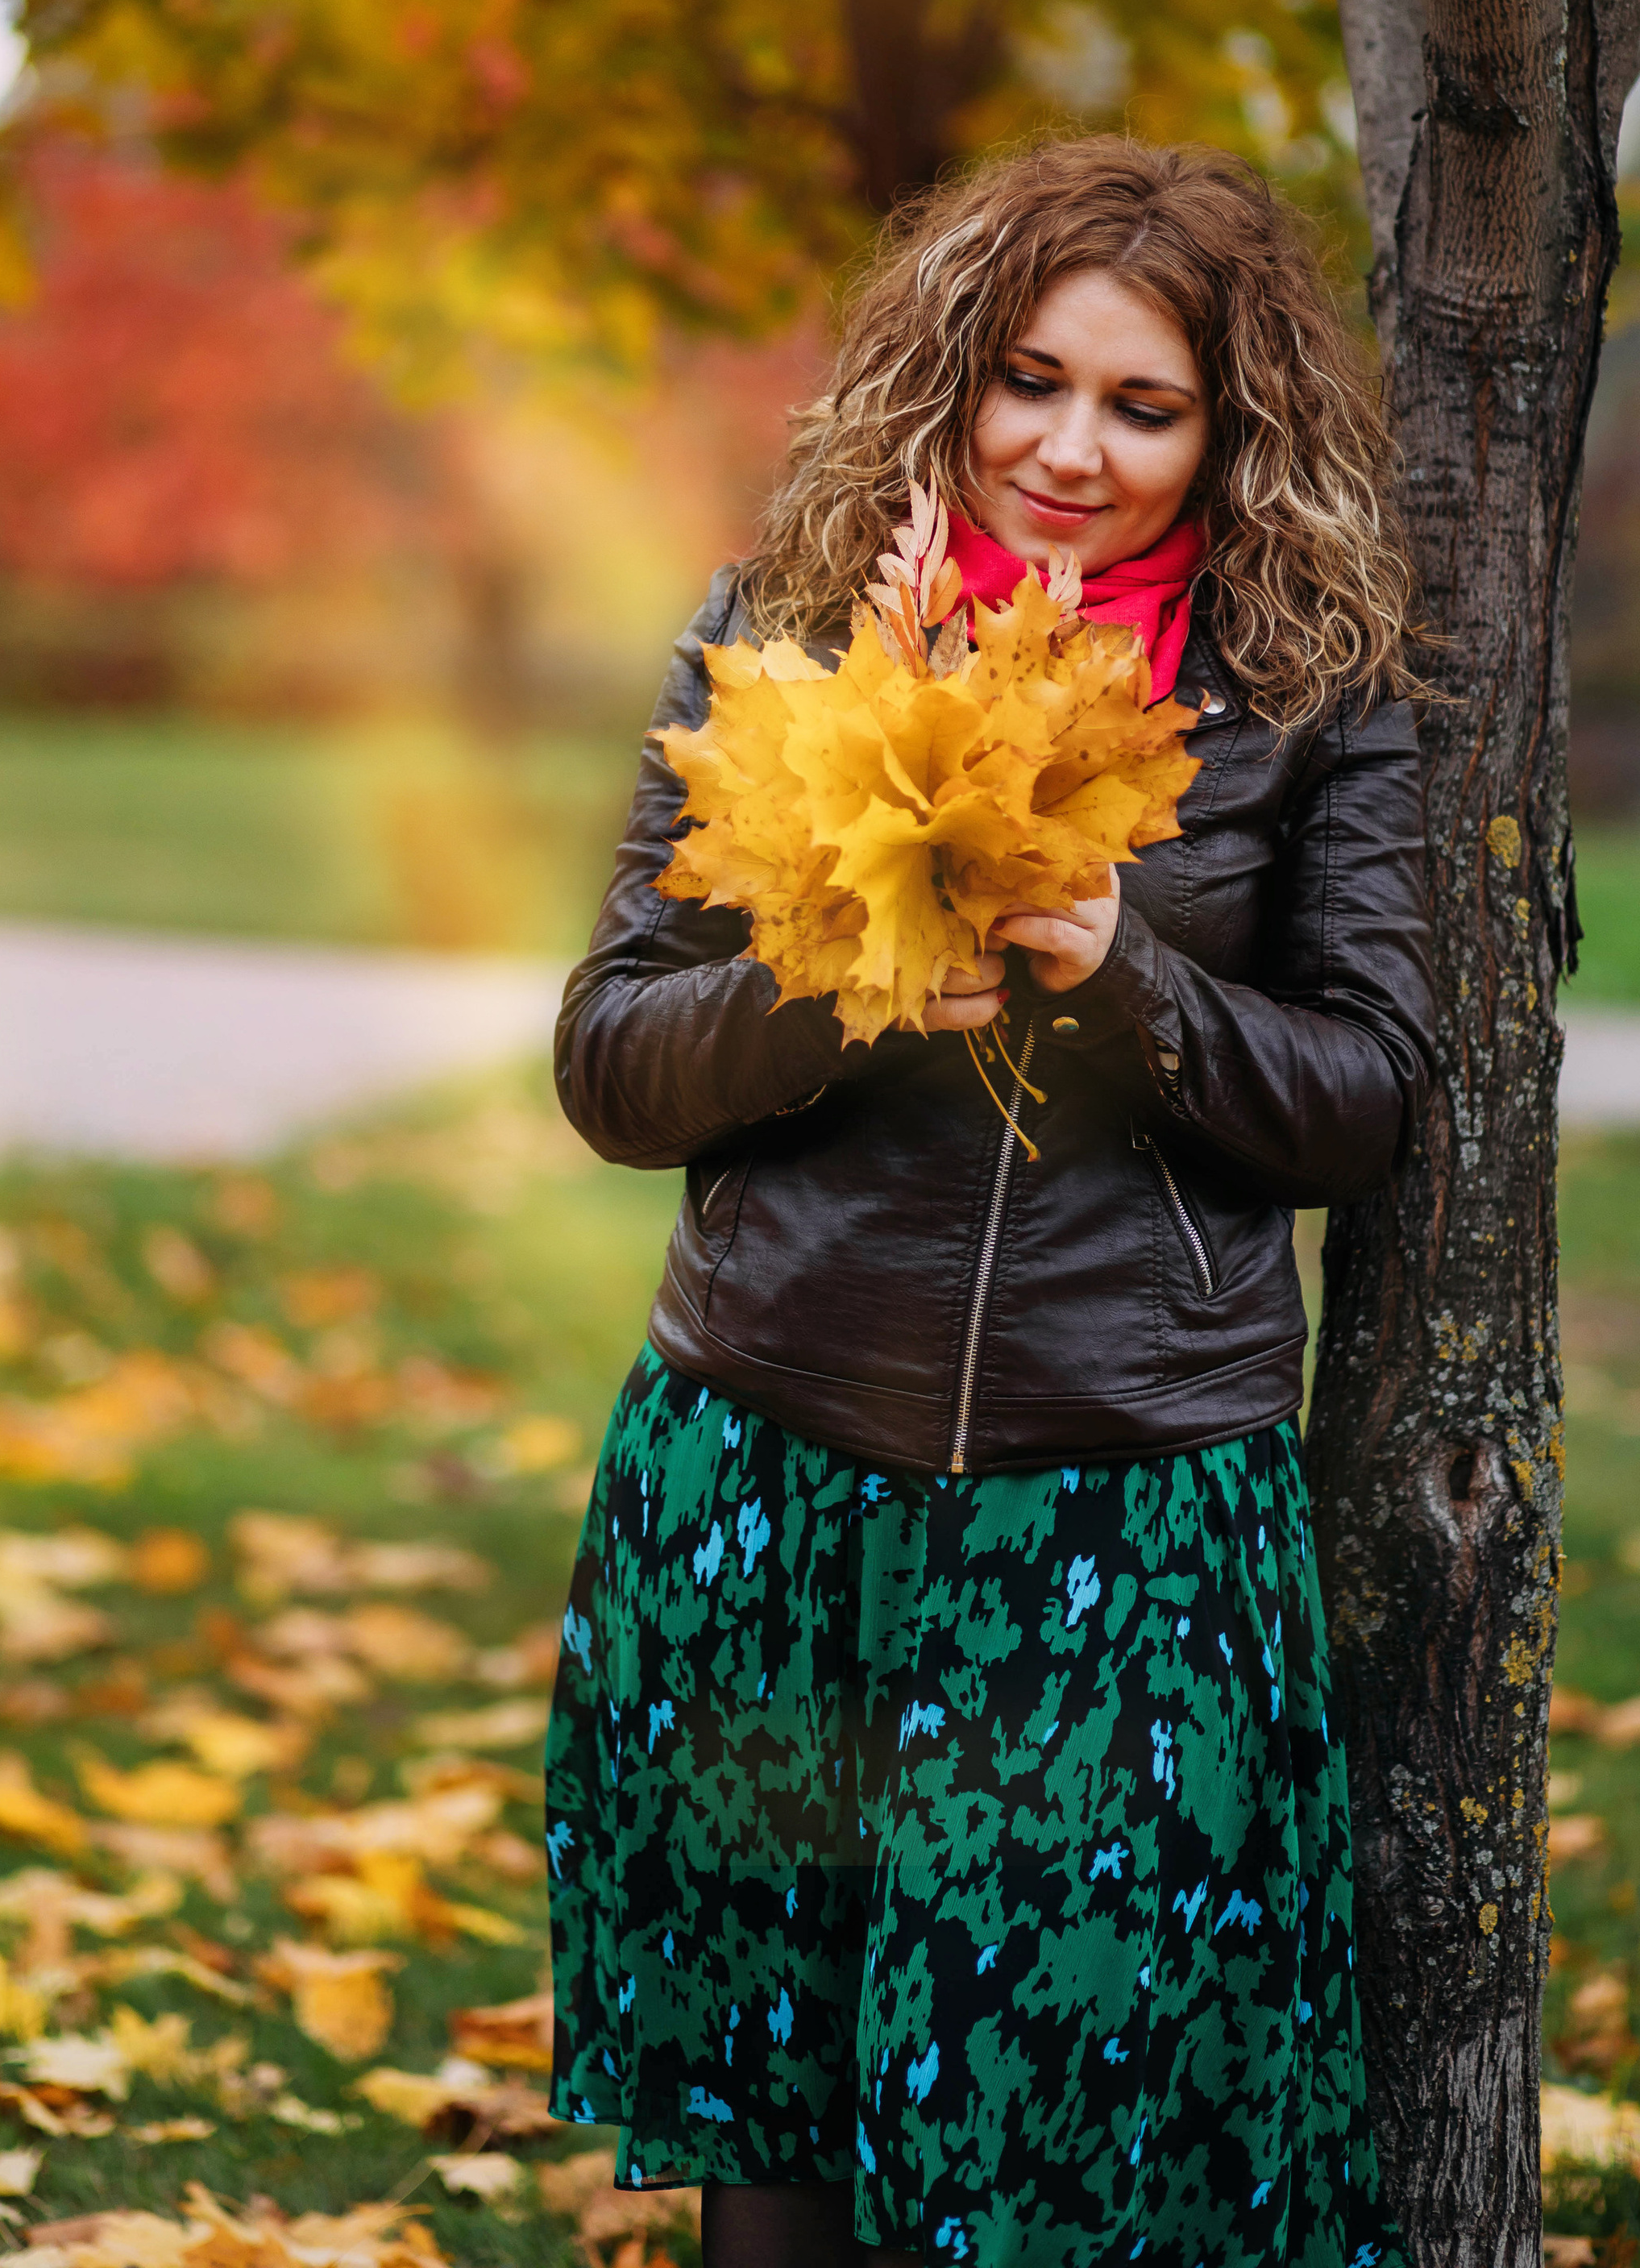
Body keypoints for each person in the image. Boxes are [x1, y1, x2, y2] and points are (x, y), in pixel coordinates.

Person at [544, 135, 1434, 2268]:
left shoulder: (1311, 701)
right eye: (1031, 379)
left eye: (1146, 406)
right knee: (773, 2112)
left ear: (1234, 432)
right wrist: (823, 993)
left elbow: (1372, 1100)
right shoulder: (778, 635)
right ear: (955, 374)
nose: (1071, 447)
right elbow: (608, 1054)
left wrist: (1132, 976)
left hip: (1116, 1523)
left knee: (1059, 2140)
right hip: (767, 1481)